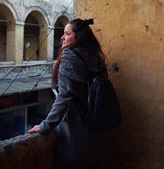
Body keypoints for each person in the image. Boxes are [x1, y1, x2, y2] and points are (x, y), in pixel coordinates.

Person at [28, 18, 108, 169]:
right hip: (97, 130)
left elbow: (64, 97)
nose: (62, 37)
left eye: (67, 34)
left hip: (76, 131)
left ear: (78, 37)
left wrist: (45, 126)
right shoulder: (96, 58)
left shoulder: (70, 57)